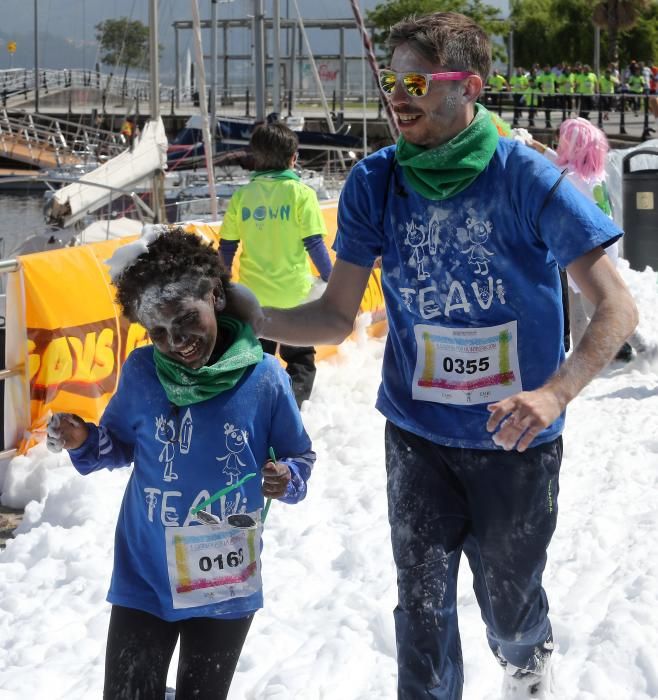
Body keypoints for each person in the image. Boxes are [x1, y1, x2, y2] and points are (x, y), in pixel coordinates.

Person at [252, 12, 638, 699]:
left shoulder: (527, 179)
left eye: (419, 81)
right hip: (417, 437)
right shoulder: (375, 182)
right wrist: (251, 320)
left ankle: (526, 660)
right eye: (392, 79)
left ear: (472, 87)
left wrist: (554, 394)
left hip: (517, 440)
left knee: (509, 605)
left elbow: (618, 306)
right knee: (422, 614)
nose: (399, 95)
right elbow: (337, 315)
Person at [45, 227, 315, 700]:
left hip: (224, 582)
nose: (177, 341)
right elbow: (119, 445)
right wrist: (83, 438)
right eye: (159, 332)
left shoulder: (265, 377)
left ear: (215, 295)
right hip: (145, 576)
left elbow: (300, 456)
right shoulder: (142, 372)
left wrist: (286, 478)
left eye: (186, 319)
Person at [218, 122, 333, 408]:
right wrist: (331, 279)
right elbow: (315, 245)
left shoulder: (242, 197)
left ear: (255, 158)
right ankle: (293, 407)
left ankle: (259, 405)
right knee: (301, 358)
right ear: (293, 157)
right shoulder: (301, 195)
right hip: (294, 296)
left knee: (258, 357)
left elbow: (227, 247)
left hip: (253, 298)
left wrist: (222, 283)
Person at [533, 118, 642, 361]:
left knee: (593, 303)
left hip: (585, 246)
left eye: (562, 141)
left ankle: (638, 345)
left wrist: (529, 148)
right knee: (584, 300)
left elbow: (550, 169)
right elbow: (560, 164)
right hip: (601, 243)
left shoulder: (569, 176)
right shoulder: (592, 173)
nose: (558, 144)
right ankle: (595, 351)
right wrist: (538, 146)